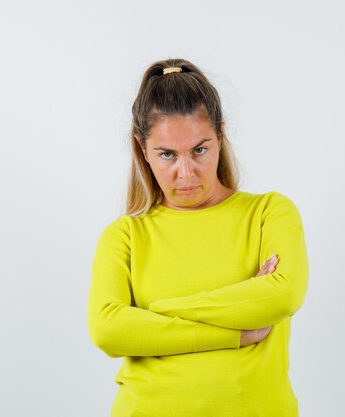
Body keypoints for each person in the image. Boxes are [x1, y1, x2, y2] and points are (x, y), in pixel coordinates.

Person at [87, 58, 309, 417]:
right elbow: (107, 330)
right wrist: (234, 332)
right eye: (167, 155)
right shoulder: (124, 236)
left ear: (220, 135)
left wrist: (156, 314)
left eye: (200, 150)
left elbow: (282, 295)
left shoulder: (269, 213)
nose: (186, 172)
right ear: (142, 149)